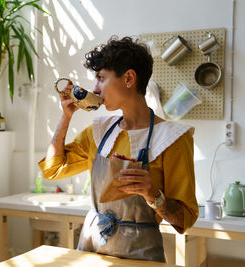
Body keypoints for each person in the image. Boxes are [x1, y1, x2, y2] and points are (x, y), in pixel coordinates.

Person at [38, 36, 198, 262]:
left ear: (129, 78)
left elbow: (185, 219)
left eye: (101, 78)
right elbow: (53, 169)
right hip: (91, 249)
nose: (95, 88)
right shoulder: (99, 132)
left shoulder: (173, 138)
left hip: (139, 254)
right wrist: (66, 117)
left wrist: (152, 194)